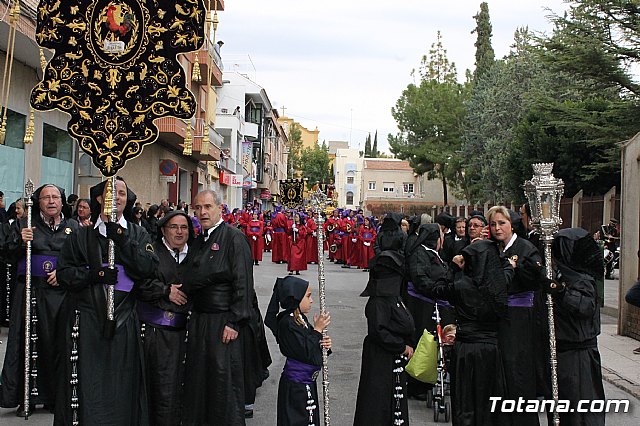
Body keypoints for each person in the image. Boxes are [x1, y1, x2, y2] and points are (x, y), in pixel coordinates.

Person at [55, 178, 157, 425]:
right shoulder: (81, 236)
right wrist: (93, 274)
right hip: (89, 320)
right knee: (89, 384)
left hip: (125, 319)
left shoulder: (139, 233)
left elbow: (148, 268)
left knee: (124, 384)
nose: (117, 197)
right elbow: (64, 274)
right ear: (99, 198)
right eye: (112, 192)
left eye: (122, 192)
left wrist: (121, 239)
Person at [0, 184, 79, 416]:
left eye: (56, 197)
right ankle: (28, 396)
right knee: (29, 343)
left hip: (62, 294)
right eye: (46, 198)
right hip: (31, 291)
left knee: (59, 344)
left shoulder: (72, 227)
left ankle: (56, 397)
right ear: (38, 201)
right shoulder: (25, 224)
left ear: (62, 201)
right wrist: (18, 240)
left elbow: (82, 259)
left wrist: (64, 274)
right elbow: (6, 252)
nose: (52, 201)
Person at [181, 189, 253, 425]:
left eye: (207, 207)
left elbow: (242, 282)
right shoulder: (198, 239)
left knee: (223, 381)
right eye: (198, 208)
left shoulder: (233, 238)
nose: (202, 212)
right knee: (200, 380)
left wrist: (235, 321)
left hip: (223, 323)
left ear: (220, 208)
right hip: (200, 320)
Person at [424, 239, 515, 426]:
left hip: (466, 348)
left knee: (465, 399)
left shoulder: (461, 285)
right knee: (489, 397)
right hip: (490, 348)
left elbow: (436, 289)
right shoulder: (498, 286)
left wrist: (453, 268)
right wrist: (505, 262)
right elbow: (506, 272)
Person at [487, 205, 544, 426]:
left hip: (520, 317)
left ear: (511, 224)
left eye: (501, 223)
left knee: (517, 368)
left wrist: (514, 268)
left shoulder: (526, 248)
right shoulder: (493, 248)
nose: (497, 228)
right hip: (499, 316)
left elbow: (535, 279)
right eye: (493, 224)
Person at [136, 210, 194, 426]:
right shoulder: (151, 252)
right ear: (163, 230)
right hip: (157, 333)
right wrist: (164, 290)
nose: (179, 232)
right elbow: (140, 284)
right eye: (174, 227)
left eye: (184, 227)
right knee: (160, 387)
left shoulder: (196, 253)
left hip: (190, 333)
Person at [353, 237, 415, 426]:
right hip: (381, 358)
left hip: (392, 359)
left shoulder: (393, 297)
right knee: (378, 401)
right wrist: (401, 346)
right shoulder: (379, 301)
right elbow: (379, 331)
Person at [547, 228, 605, 426]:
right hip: (563, 352)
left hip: (579, 355)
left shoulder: (582, 279)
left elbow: (585, 307)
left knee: (582, 408)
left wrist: (562, 292)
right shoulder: (561, 274)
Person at [264, 276, 332, 426]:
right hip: (296, 386)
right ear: (296, 298)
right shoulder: (287, 323)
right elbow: (304, 351)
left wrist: (323, 344)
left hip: (307, 384)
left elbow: (312, 349)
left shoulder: (300, 319)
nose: (311, 300)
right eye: (308, 296)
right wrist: (317, 330)